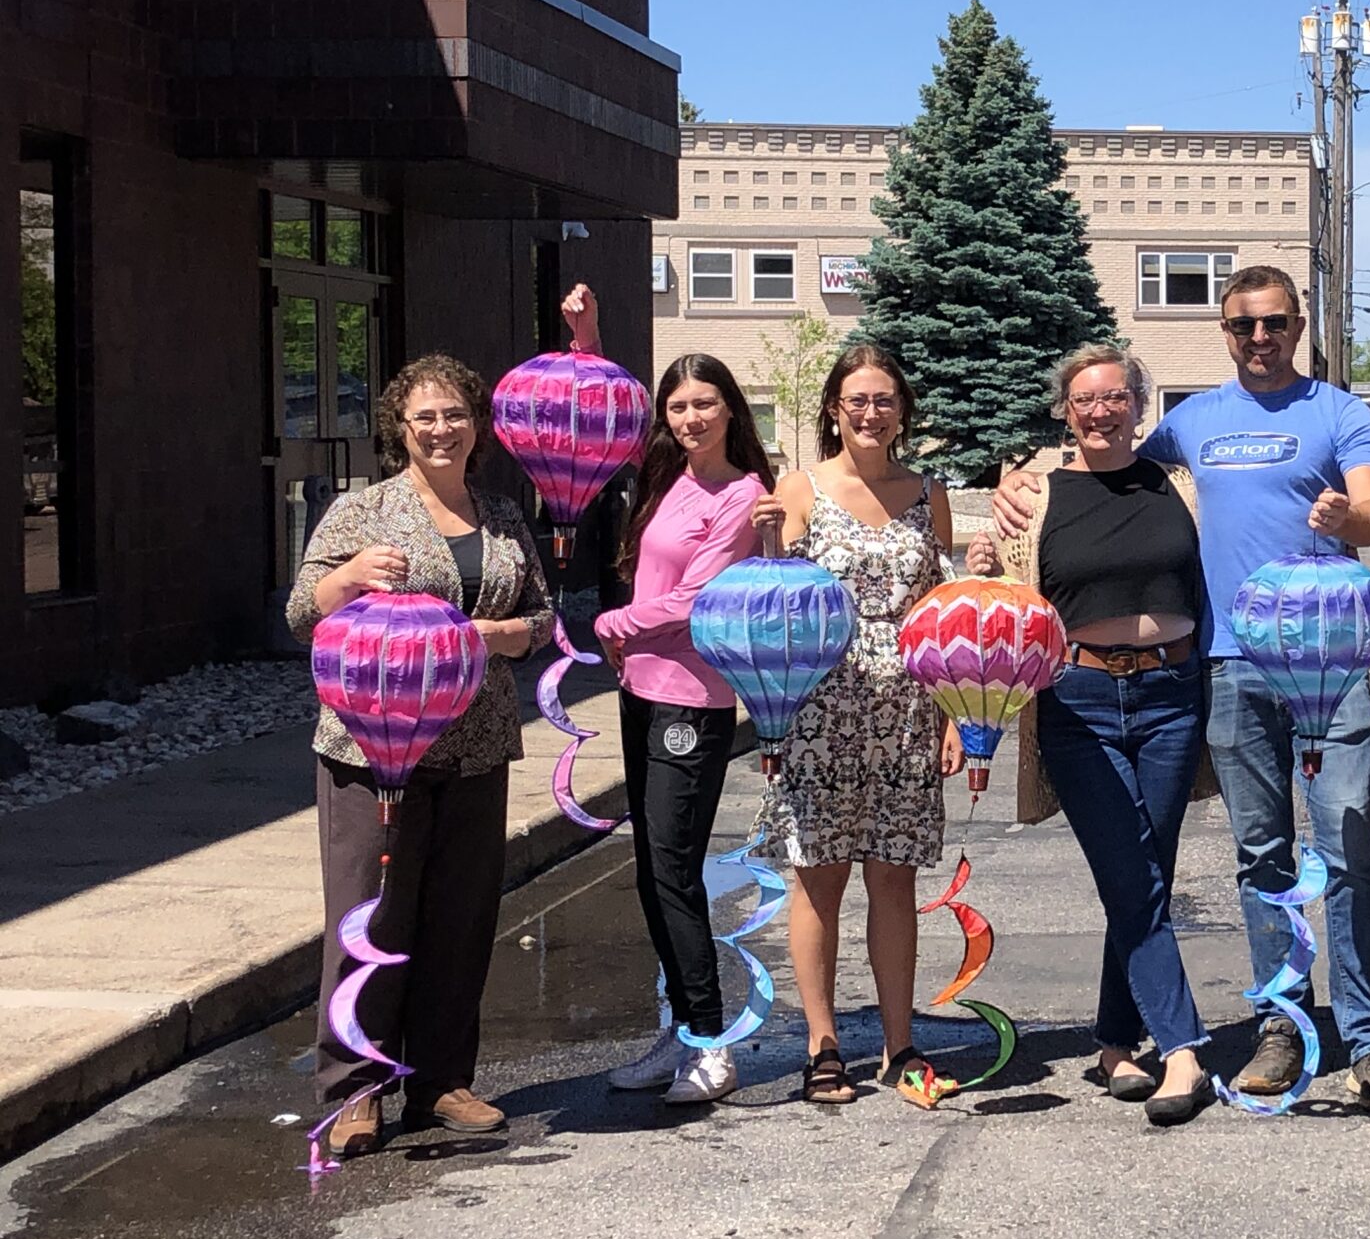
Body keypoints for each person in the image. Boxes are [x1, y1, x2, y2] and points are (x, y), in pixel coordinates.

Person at [992, 265, 1370, 1113]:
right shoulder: (1191, 424)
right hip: (1225, 667)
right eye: (1242, 326)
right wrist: (1017, 485)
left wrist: (1345, 519)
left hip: (1328, 666)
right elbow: (1099, 464)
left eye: (1274, 323)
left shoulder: (1339, 412)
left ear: (1299, 325)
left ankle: (1369, 1041)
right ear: (1225, 332)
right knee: (1261, 857)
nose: (1260, 338)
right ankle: (1281, 1026)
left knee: (1348, 850)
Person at [287, 353, 554, 1158]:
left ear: (478, 427)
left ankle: (440, 1078)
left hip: (474, 745)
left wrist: (510, 635)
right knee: (371, 916)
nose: (441, 430)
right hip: (373, 748)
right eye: (424, 418)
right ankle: (356, 1089)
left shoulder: (503, 514)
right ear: (400, 429)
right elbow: (303, 613)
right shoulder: (363, 514)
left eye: (455, 416)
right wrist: (351, 580)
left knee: (461, 915)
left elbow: (542, 614)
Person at [967, 348, 1219, 1126]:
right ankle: (1181, 1049)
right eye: (1085, 399)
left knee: (1143, 874)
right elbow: (1002, 605)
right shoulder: (1035, 498)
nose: (1101, 410)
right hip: (1076, 703)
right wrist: (981, 555)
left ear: (1141, 403)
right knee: (1132, 872)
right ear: (1065, 412)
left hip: (1174, 695)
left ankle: (1115, 1042)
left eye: (1116, 396)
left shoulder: (1180, 483)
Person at [568, 285, 774, 1107]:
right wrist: (586, 340)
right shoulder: (667, 477)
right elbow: (590, 426)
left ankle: (711, 1043)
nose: (690, 418)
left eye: (705, 404)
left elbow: (701, 599)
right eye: (678, 406)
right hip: (640, 691)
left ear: (732, 411)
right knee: (653, 868)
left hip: (693, 698)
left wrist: (616, 620)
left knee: (677, 869)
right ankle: (680, 1027)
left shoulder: (741, 495)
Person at [751, 342, 964, 1104]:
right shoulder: (802, 487)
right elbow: (774, 601)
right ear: (834, 410)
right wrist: (768, 537)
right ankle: (823, 1042)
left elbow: (938, 616)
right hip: (819, 711)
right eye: (856, 400)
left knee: (894, 878)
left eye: (883, 400)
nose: (870, 413)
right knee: (819, 879)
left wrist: (951, 717)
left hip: (907, 710)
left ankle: (901, 1042)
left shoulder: (925, 494)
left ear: (902, 409)